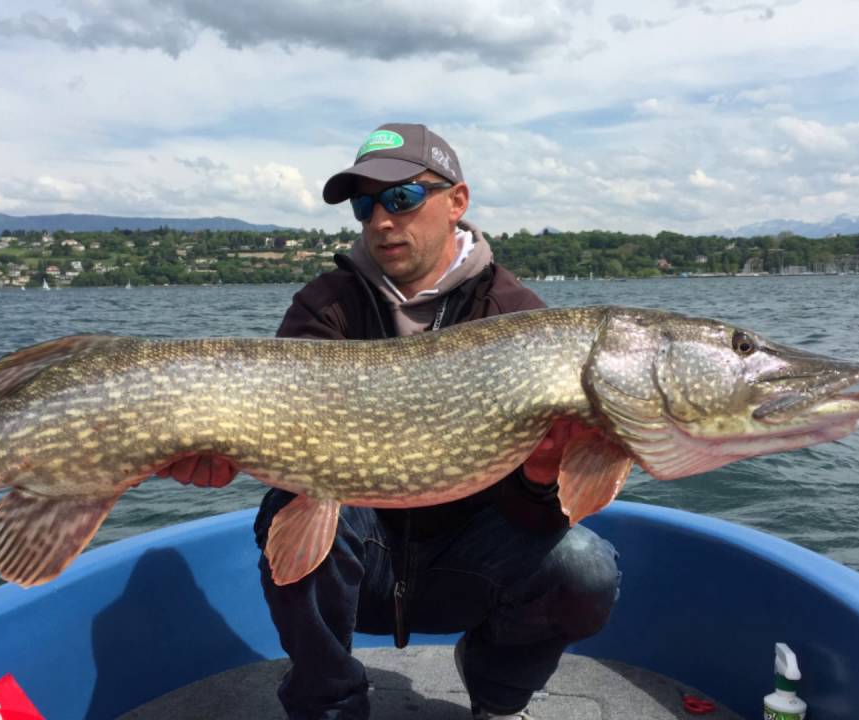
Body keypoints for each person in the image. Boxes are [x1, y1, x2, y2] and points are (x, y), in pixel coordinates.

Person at [250, 123, 621, 720]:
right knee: (291, 508)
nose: (381, 220)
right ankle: (330, 706)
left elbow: (533, 520)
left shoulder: (515, 315)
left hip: (465, 565)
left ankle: (498, 696)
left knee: (584, 565)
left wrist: (542, 472)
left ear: (457, 201)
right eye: (365, 205)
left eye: (401, 197)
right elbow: (291, 456)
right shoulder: (326, 306)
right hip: (360, 564)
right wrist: (206, 455)